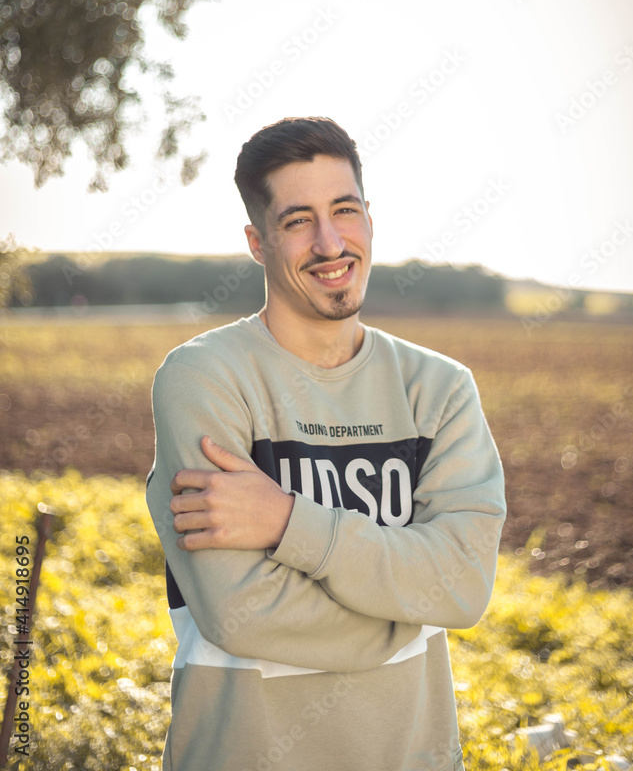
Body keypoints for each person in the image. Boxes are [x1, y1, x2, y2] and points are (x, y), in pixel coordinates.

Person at [145, 116, 506, 771]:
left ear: (369, 217)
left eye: (344, 211)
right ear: (257, 242)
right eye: (297, 221)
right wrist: (402, 614)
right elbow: (240, 611)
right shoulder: (204, 378)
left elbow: (461, 587)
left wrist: (287, 520)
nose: (330, 242)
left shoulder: (438, 388)